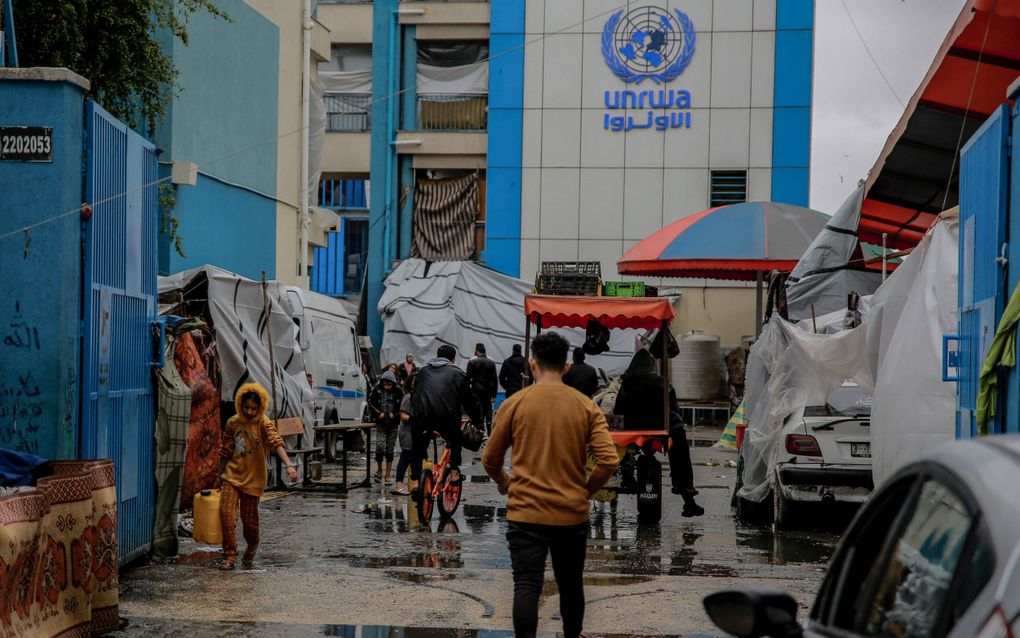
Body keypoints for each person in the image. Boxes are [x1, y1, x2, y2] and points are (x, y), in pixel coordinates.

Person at [482, 332, 619, 638]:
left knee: (527, 585)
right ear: (566, 367)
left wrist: (505, 483)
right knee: (571, 584)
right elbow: (609, 461)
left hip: (524, 513)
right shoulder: (585, 406)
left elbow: (490, 459)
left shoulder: (515, 404)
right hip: (570, 514)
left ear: (533, 364)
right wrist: (585, 491)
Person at [217, 382, 298, 570]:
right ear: (240, 404)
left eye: (254, 408)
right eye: (246, 407)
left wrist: (289, 465)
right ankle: (229, 555)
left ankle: (252, 545)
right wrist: (218, 474)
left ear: (260, 407)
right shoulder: (233, 423)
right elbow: (226, 450)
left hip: (254, 480)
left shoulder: (263, 422)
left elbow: (275, 441)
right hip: (232, 476)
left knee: (249, 521)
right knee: (226, 514)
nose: (250, 411)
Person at [613, 349, 703, 517]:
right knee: (680, 453)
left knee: (620, 444)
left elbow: (618, 411)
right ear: (651, 365)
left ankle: (627, 475)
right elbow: (675, 410)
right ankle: (688, 498)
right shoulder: (664, 382)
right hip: (663, 429)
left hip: (634, 431)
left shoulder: (627, 384)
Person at [409, 344, 483, 486]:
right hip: (445, 419)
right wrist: (478, 420)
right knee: (456, 437)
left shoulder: (422, 371)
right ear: (453, 359)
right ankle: (454, 471)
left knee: (417, 444)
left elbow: (414, 395)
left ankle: (416, 481)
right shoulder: (458, 374)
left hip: (419, 417)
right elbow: (470, 401)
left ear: (437, 355)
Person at [368, 370, 403, 483]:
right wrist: (379, 413)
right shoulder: (377, 390)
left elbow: (403, 405)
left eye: (389, 384)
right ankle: (379, 470)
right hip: (381, 424)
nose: (387, 387)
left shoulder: (398, 391)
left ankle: (388, 474)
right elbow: (371, 402)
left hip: (393, 425)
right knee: (379, 446)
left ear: (393, 383)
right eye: (385, 384)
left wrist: (395, 413)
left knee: (389, 449)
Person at [465, 343, 499, 434]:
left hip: (476, 390)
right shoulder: (491, 361)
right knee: (488, 408)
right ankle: (488, 427)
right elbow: (495, 379)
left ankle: (479, 430)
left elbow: (467, 378)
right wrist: (494, 394)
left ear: (477, 350)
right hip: (488, 391)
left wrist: (467, 392)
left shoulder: (472, 361)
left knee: (477, 409)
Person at [391, 382, 415, 496]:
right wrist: (416, 419)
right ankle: (398, 486)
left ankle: (416, 486)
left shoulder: (421, 396)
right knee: (406, 457)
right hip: (407, 433)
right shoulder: (408, 397)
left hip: (416, 433)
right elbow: (403, 416)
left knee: (416, 459)